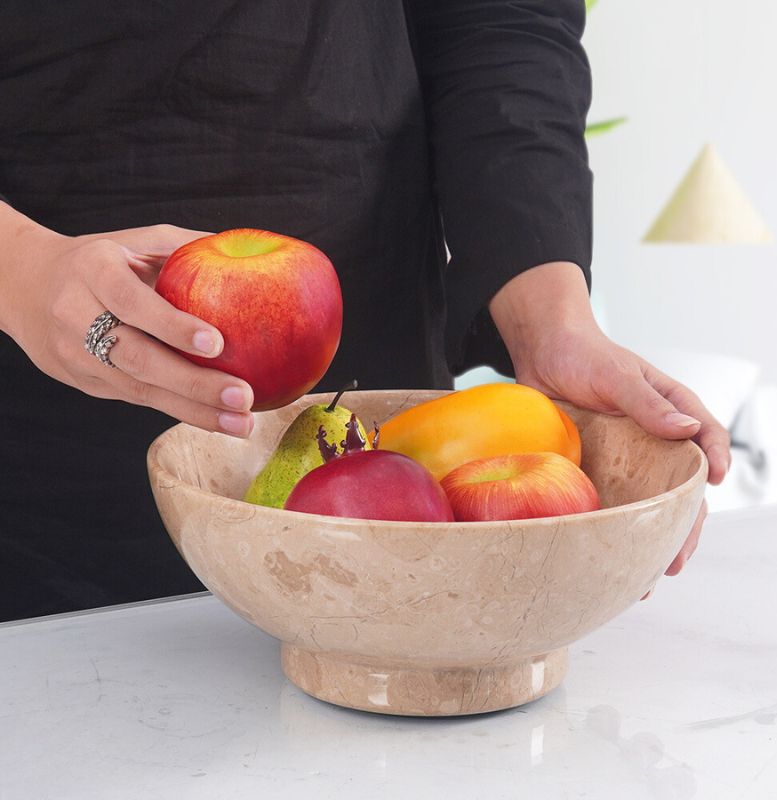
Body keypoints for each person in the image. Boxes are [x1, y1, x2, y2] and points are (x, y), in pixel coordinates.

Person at [0, 1, 729, 622]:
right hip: (31, 444)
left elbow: (495, 19)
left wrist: (551, 323)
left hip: (377, 439)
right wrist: (22, 272)